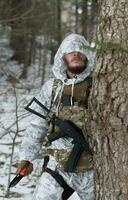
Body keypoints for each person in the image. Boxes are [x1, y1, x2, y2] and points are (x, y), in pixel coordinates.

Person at [17, 33, 96, 200]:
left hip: (91, 169)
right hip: (57, 165)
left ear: (88, 57)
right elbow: (37, 124)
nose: (76, 54)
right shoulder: (52, 88)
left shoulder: (97, 85)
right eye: (70, 51)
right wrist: (26, 157)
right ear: (63, 57)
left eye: (80, 51)